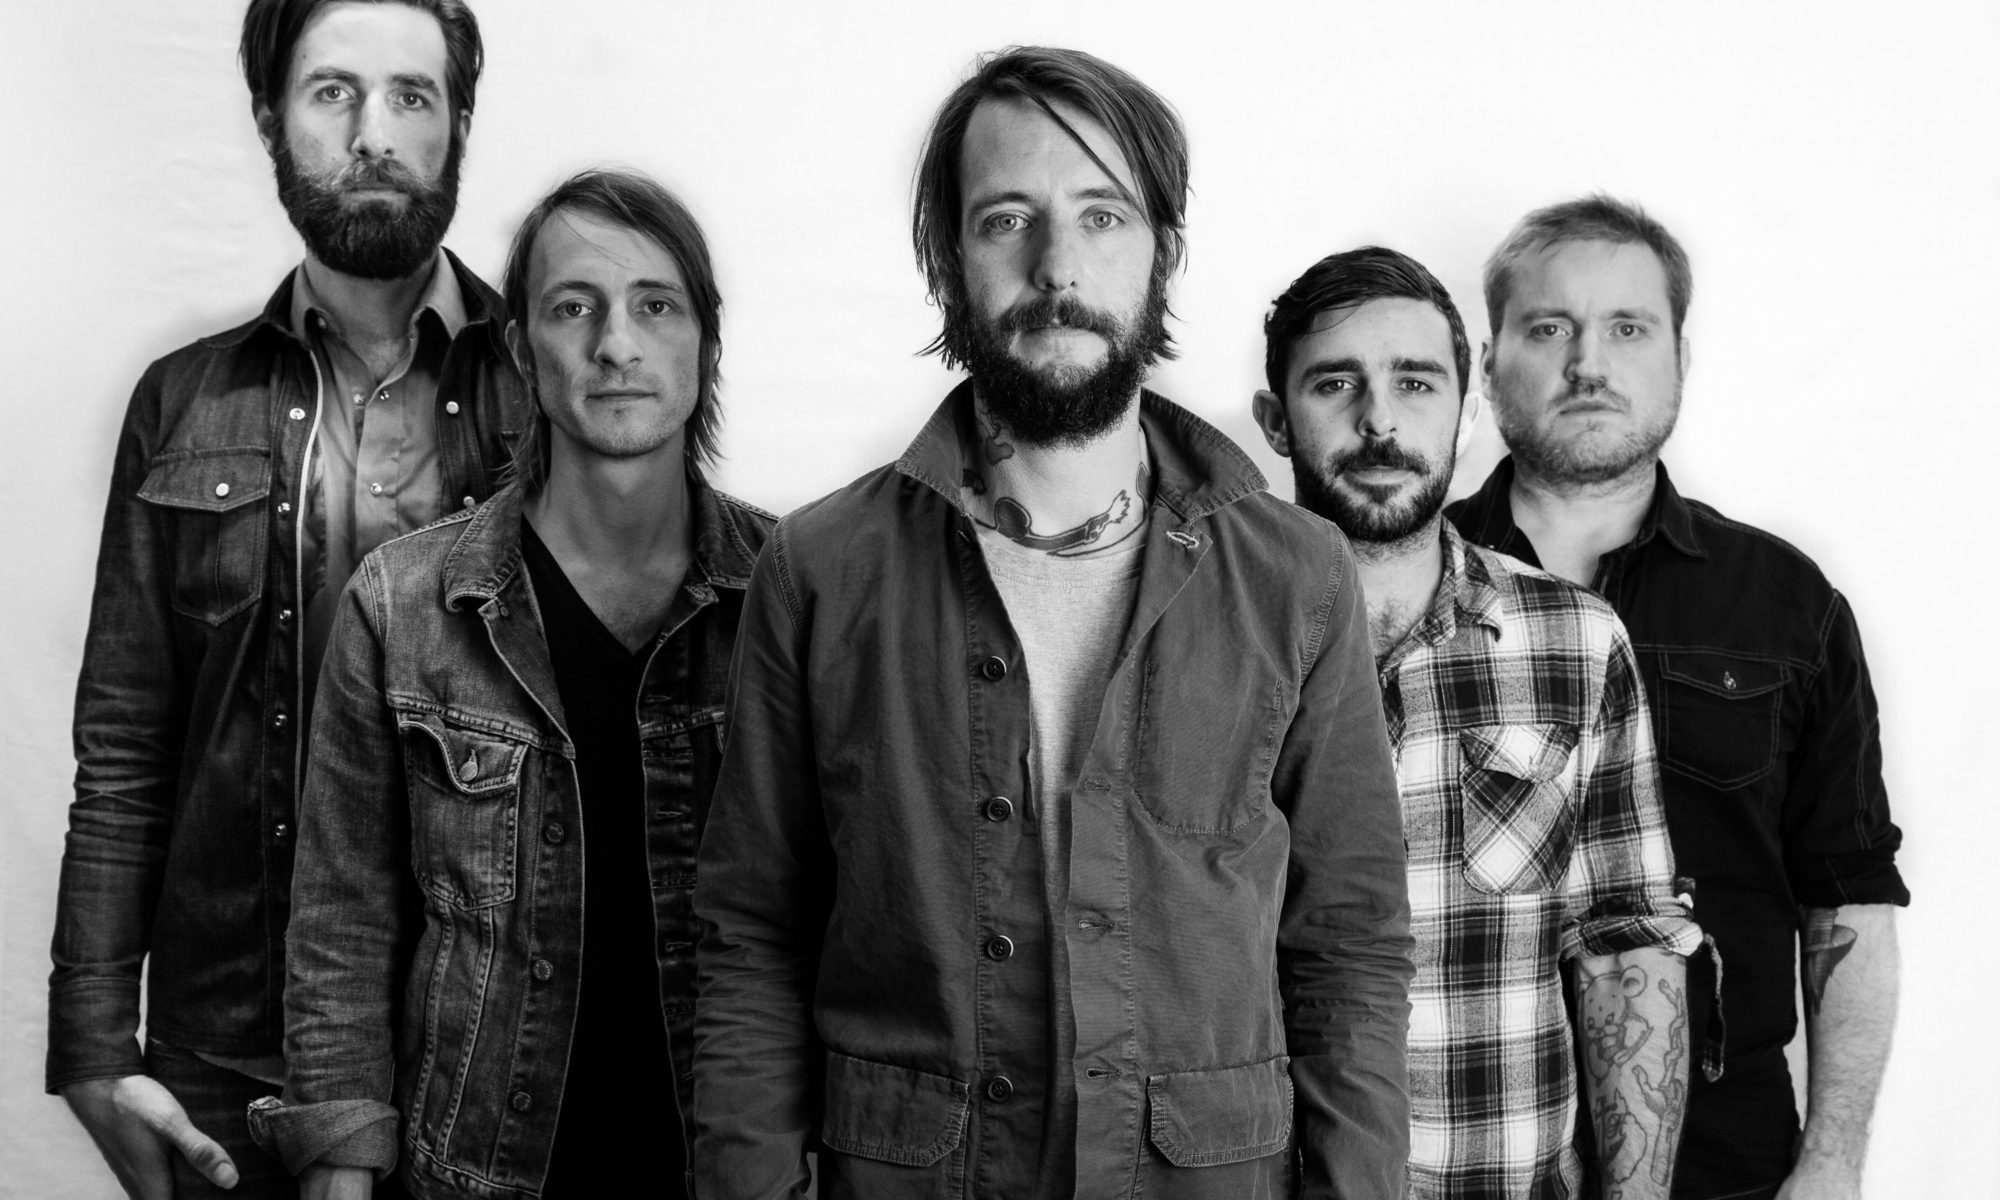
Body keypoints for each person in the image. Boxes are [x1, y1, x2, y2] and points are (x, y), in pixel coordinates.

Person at [691, 46, 1414, 1200]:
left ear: (1164, 251)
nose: (1056, 265)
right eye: (1005, 219)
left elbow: (1349, 951)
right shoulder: (819, 569)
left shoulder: (1296, 575)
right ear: (946, 257)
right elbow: (750, 939)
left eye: (1101, 215)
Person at [48, 2, 524, 1196]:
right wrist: (93, 1045)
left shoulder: (551, 387)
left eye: (411, 95)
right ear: (269, 120)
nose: (374, 133)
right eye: (331, 92)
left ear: (460, 122)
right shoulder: (183, 402)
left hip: (493, 1057)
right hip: (229, 1066)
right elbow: (126, 746)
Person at [241, 169, 771, 1199]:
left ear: (706, 342)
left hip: (727, 1170)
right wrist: (339, 1165)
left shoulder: (794, 596)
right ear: (523, 349)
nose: (616, 344)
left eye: (655, 306)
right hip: (475, 1171)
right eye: (574, 308)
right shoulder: (402, 603)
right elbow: (343, 925)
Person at [1448, 197, 1908, 1200]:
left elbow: (1847, 894)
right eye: (1548, 328)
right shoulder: (1406, 585)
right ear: (1488, 363)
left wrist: (1832, 1161)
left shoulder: (1783, 605)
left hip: (1724, 1159)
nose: (1587, 362)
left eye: (1627, 327)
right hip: (1463, 1148)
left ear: (1679, 359)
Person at [1253, 246, 1702, 1199]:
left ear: (1465, 409)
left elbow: (1626, 949)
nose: (1380, 421)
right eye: (1336, 384)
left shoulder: (1574, 641)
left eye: (1416, 384)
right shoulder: (1206, 642)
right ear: (1274, 420)